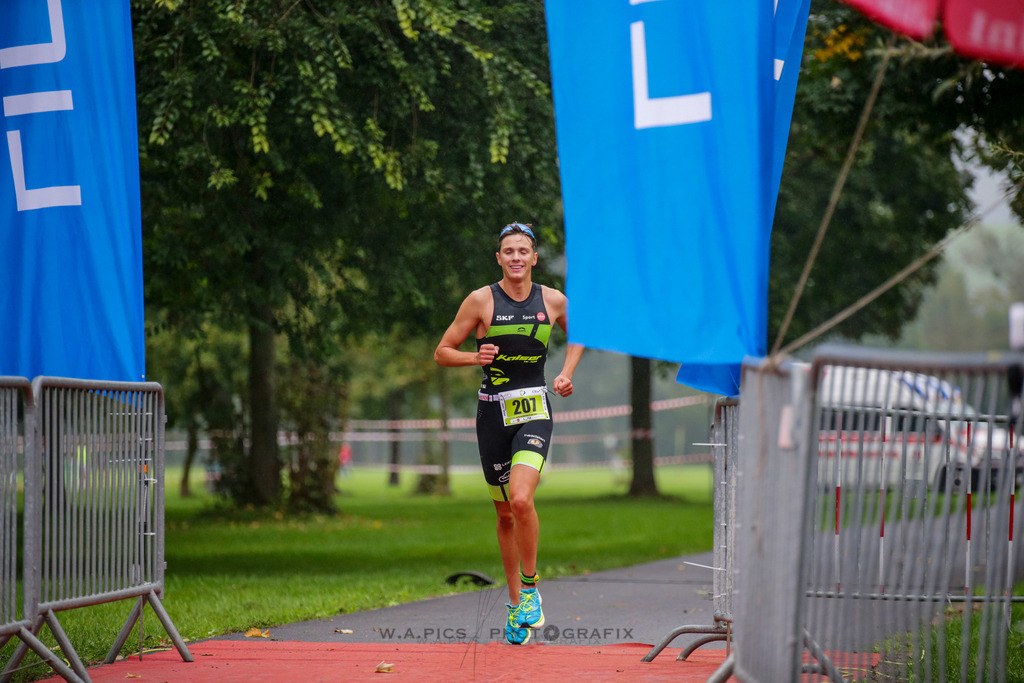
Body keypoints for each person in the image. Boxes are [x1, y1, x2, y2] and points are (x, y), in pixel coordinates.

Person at [435, 222, 584, 645]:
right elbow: (442, 352)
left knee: (521, 498)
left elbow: (581, 336)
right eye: (508, 251)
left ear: (534, 258)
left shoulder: (553, 300)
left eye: (523, 250)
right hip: (491, 414)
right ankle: (516, 604)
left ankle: (532, 589)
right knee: (503, 513)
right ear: (498, 258)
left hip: (534, 407)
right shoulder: (481, 300)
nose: (516, 257)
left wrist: (567, 373)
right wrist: (473, 358)